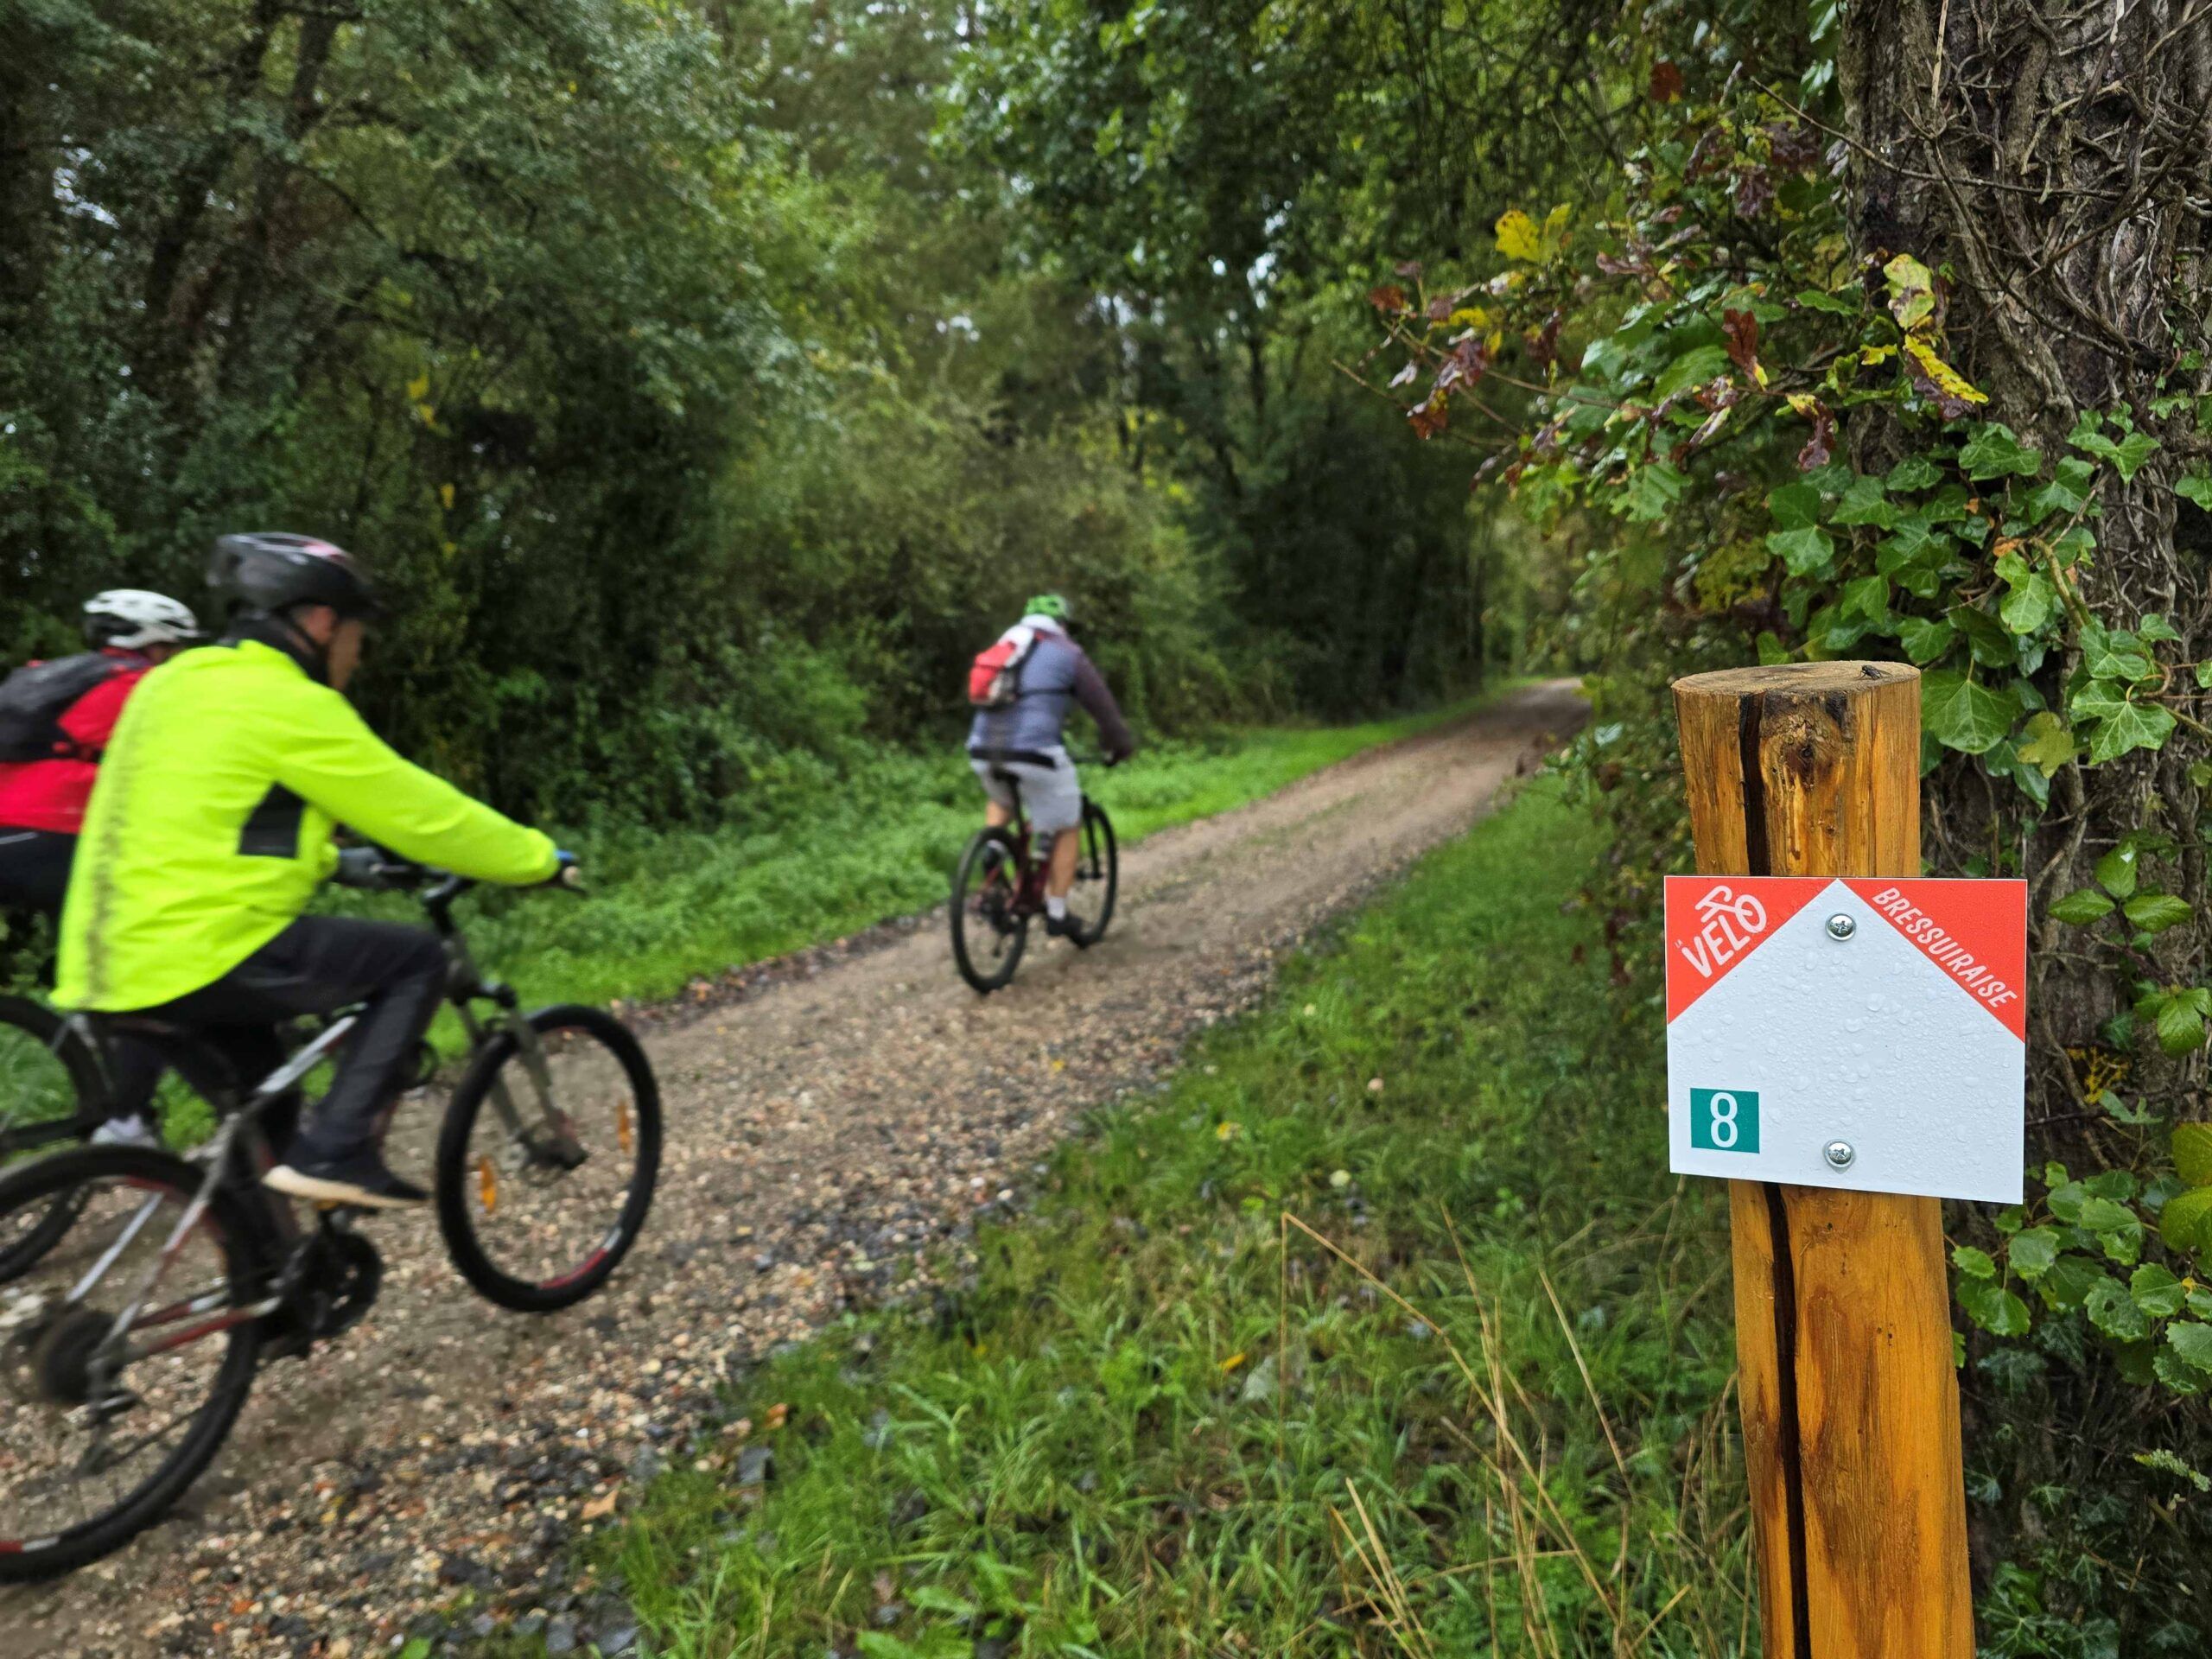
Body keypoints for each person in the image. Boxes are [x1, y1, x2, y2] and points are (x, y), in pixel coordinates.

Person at [55, 533, 570, 1209]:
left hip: (103, 959)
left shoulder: (173, 684)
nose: (357, 655)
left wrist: (334, 861)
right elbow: (418, 813)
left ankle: (265, 1291)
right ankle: (339, 1150)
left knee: (265, 1110)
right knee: (415, 961)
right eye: (359, 636)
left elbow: (212, 820)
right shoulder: (286, 700)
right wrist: (537, 860)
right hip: (196, 951)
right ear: (322, 622)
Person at [0, 589, 204, 1145]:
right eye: (176, 648)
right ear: (155, 645)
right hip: (55, 837)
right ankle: (126, 1119)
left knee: (103, 957)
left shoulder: (49, 676)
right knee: (153, 962)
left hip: (9, 839)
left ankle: (93, 1031)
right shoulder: (144, 687)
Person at [966, 593, 1135, 937]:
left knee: (1002, 797)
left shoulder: (1006, 645)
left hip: (982, 750)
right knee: (1067, 822)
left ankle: (995, 848)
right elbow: (1103, 708)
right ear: (1062, 624)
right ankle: (1058, 913)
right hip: (1035, 752)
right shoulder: (1068, 653)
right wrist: (1119, 745)